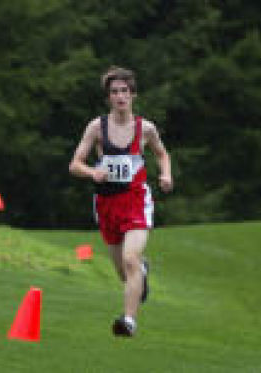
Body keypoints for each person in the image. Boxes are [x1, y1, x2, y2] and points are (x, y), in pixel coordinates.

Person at [69, 66, 173, 337]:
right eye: (114, 92)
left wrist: (166, 174)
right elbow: (74, 164)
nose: (120, 96)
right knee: (125, 273)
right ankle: (142, 273)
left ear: (133, 95)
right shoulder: (97, 127)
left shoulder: (145, 128)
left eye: (124, 91)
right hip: (107, 205)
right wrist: (93, 171)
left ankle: (128, 321)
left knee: (130, 258)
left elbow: (162, 154)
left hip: (136, 199)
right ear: (108, 98)